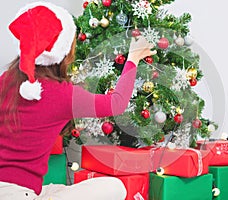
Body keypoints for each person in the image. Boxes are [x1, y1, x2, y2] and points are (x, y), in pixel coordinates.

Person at [0, 2, 156, 200]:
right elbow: (116, 103)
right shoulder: (63, 94)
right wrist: (133, 58)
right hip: (20, 195)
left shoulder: (5, 80)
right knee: (115, 187)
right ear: (63, 49)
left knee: (56, 189)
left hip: (20, 191)